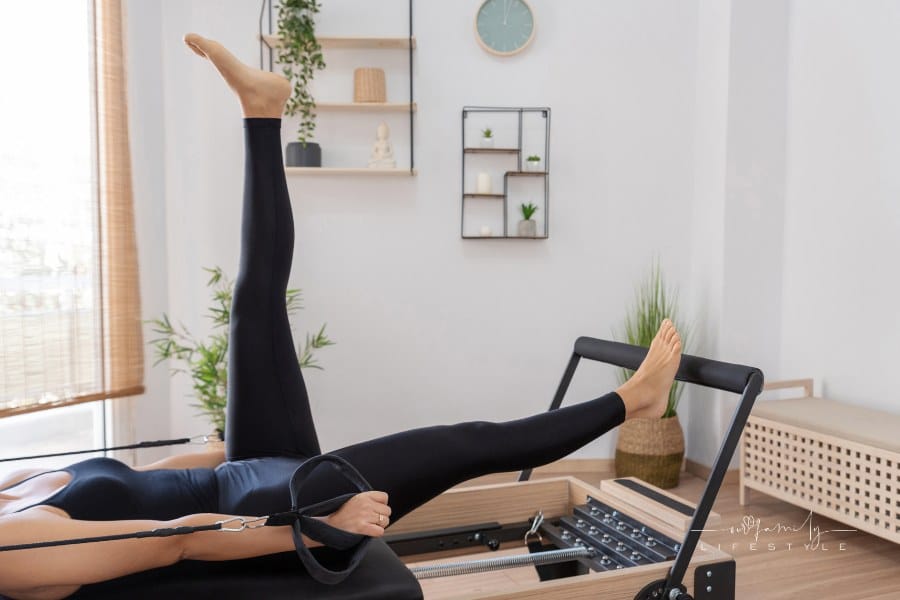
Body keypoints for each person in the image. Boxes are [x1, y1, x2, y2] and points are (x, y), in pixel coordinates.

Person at [0, 35, 682, 600]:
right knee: (465, 442)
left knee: (254, 300)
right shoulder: (7, 551)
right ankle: (634, 400)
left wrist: (202, 453)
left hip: (239, 468)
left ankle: (262, 111)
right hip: (275, 506)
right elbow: (170, 539)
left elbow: (131, 490)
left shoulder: (8, 492)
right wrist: (318, 528)